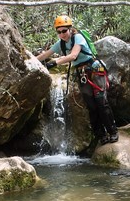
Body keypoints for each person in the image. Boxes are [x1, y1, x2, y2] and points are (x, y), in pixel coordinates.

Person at [36, 15, 119, 144]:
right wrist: (31, 61)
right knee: (91, 106)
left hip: (94, 71)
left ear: (70, 29)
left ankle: (113, 131)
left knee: (101, 103)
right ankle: (101, 135)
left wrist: (55, 63)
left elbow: (73, 55)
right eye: (59, 32)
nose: (62, 34)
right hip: (82, 74)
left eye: (64, 31)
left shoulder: (78, 38)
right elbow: (46, 54)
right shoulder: (61, 44)